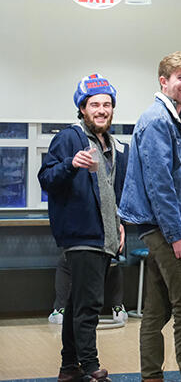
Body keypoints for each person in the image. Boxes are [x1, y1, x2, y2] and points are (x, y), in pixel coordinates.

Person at [118, 51, 181, 382]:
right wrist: (176, 236)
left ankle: (151, 376)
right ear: (164, 81)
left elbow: (172, 178)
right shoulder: (158, 120)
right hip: (164, 228)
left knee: (157, 310)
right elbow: (158, 186)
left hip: (161, 224)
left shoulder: (170, 117)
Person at [38, 73, 129, 382]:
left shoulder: (114, 145)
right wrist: (71, 164)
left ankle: (68, 367)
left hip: (104, 234)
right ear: (82, 108)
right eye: (94, 104)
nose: (101, 110)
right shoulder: (69, 138)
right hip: (82, 235)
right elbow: (46, 179)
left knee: (77, 303)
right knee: (89, 306)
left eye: (106, 104)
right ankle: (90, 367)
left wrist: (120, 225)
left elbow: (112, 192)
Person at [49, 252, 128, 325]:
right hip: (104, 254)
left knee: (64, 260)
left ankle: (61, 310)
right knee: (113, 262)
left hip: (81, 252)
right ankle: (117, 309)